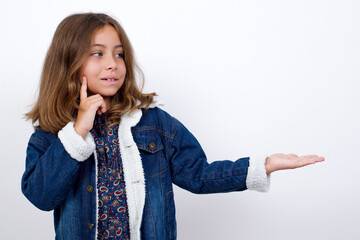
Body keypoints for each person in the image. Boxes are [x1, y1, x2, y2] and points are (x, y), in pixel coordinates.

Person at [21, 13, 324, 240]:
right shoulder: (50, 135)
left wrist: (264, 165)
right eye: (97, 53)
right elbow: (41, 197)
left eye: (119, 54)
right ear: (68, 62)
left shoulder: (154, 124)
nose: (113, 63)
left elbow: (199, 174)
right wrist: (78, 132)